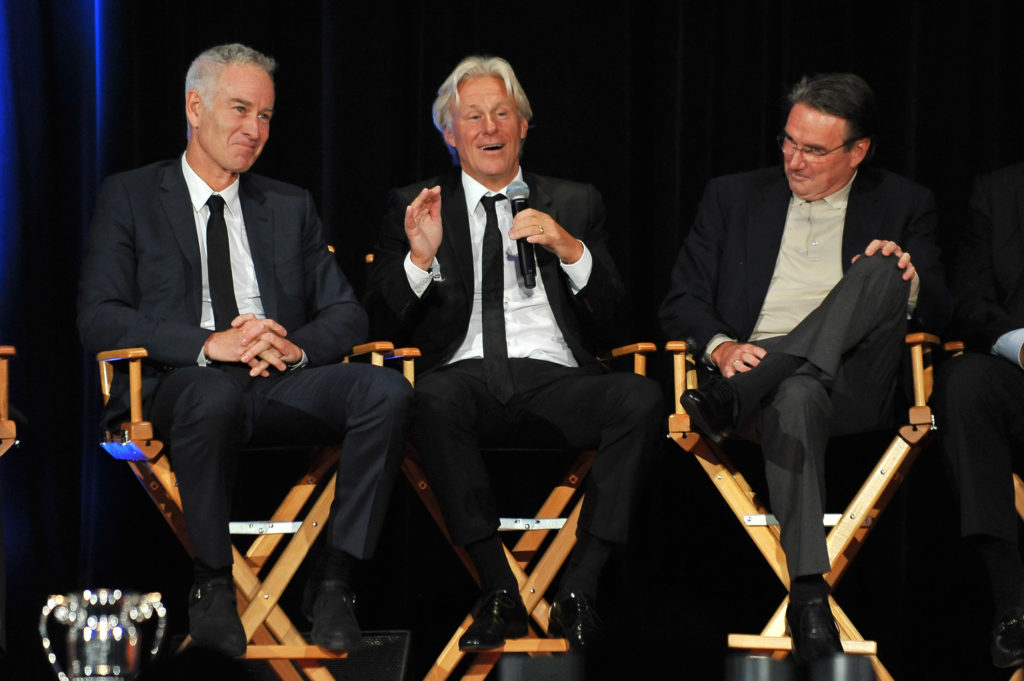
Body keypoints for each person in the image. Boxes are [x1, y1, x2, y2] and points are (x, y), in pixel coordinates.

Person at [77, 43, 412, 657]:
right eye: (240, 110)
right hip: (183, 382)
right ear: (194, 106)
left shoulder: (288, 204)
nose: (254, 130)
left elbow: (345, 311)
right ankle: (211, 584)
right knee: (211, 393)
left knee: (385, 389)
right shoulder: (129, 196)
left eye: (265, 116)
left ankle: (335, 581)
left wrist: (290, 346)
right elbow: (99, 317)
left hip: (277, 380)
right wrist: (211, 344)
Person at [364, 55, 662, 653]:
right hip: (463, 379)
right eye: (472, 116)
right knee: (429, 396)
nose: (490, 127)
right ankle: (499, 588)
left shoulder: (574, 201)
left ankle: (581, 585)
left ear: (524, 125)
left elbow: (616, 313)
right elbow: (376, 316)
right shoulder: (416, 203)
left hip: (557, 379)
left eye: (502, 113)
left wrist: (570, 247)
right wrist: (419, 259)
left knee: (642, 396)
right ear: (449, 134)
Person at [659, 73, 950, 664]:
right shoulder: (732, 195)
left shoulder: (903, 202)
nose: (794, 159)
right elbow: (681, 300)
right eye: (788, 142)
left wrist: (906, 280)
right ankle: (810, 597)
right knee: (793, 392)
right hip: (767, 387)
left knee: (884, 269)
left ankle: (752, 386)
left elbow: (947, 309)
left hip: (850, 384)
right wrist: (718, 349)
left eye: (813, 150)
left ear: (858, 151)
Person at [932, 163, 1024, 670]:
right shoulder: (999, 190)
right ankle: (1013, 600)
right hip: (1020, 370)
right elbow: (969, 298)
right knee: (964, 381)